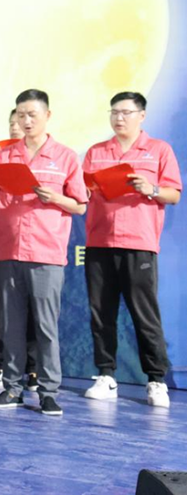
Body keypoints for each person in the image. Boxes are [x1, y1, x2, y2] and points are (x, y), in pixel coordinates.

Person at [0, 89, 87, 417]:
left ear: (47, 116)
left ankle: (49, 392)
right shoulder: (4, 155)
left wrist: (55, 198)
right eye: (20, 115)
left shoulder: (65, 156)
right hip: (8, 248)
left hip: (46, 252)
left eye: (32, 115)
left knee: (45, 326)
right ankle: (12, 388)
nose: (25, 121)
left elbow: (80, 205)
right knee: (11, 323)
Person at [81, 92, 180, 408]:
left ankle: (156, 380)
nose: (119, 118)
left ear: (142, 115)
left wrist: (150, 189)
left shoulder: (158, 150)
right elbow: (82, 190)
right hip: (100, 242)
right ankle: (106, 375)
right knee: (101, 313)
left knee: (144, 314)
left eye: (125, 112)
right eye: (114, 112)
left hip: (139, 243)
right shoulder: (96, 152)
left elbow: (173, 194)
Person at [0, 109, 38, 390]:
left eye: (21, 121)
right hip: (0, 242)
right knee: (4, 309)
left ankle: (34, 370)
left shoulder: (47, 157)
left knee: (34, 308)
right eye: (12, 122)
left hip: (36, 244)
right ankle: (2, 366)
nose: (16, 126)